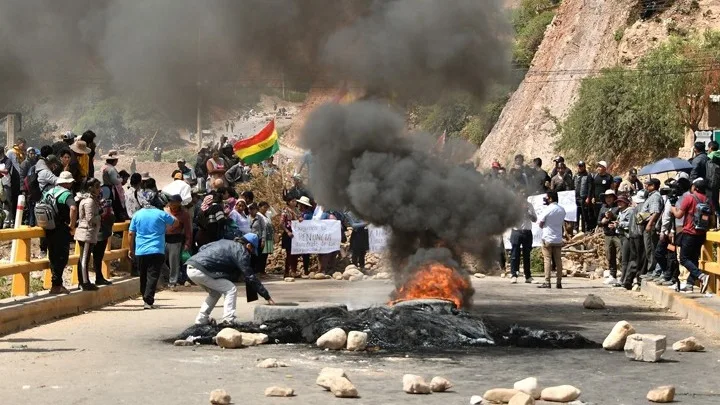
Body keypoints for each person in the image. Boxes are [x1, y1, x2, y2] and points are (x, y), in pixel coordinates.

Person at [186, 236, 275, 326]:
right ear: (248, 245)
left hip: (191, 267)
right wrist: (266, 296)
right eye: (251, 250)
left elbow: (203, 248)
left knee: (215, 293)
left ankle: (201, 320)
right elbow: (250, 276)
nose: (250, 253)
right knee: (230, 289)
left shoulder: (224, 241)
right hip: (201, 270)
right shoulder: (241, 251)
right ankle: (228, 320)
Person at [128, 190, 178, 309]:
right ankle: (148, 300)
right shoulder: (161, 214)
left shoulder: (137, 214)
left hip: (140, 250)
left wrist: (131, 249)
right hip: (157, 249)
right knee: (153, 275)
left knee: (143, 275)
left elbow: (131, 233)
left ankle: (145, 297)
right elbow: (175, 223)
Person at [671, 179, 713, 293]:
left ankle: (701, 276)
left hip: (689, 232)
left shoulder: (689, 198)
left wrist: (673, 209)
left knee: (684, 259)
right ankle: (690, 284)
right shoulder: (708, 200)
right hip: (701, 234)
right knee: (693, 258)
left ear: (695, 188)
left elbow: (679, 215)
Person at [46, 172, 77, 294]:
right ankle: (57, 285)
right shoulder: (66, 194)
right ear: (67, 183)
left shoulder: (49, 192)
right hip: (61, 229)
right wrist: (72, 225)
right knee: (62, 257)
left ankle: (55, 284)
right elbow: (73, 208)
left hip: (49, 228)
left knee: (52, 256)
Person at [74, 178, 102, 291]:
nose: (99, 189)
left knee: (84, 258)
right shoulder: (89, 201)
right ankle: (84, 282)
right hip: (86, 232)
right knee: (84, 259)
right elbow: (90, 218)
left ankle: (83, 281)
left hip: (88, 232)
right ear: (91, 188)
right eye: (97, 187)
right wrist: (101, 215)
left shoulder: (91, 199)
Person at [538, 191, 566, 289]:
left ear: (550, 198)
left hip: (547, 238)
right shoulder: (562, 210)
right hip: (558, 238)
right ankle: (559, 282)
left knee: (547, 260)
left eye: (546, 197)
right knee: (558, 261)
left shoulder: (547, 209)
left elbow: (540, 223)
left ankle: (547, 281)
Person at [165, 194, 192, 289]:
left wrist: (187, 243)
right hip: (163, 239)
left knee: (174, 263)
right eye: (170, 201)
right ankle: (164, 279)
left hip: (176, 240)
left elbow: (188, 230)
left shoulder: (184, 214)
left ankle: (172, 282)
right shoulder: (165, 211)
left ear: (179, 203)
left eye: (173, 201)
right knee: (160, 261)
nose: (171, 203)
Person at [623, 191, 647, 290]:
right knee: (640, 258)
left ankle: (628, 280)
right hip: (638, 235)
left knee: (633, 258)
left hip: (632, 234)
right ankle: (638, 279)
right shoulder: (643, 207)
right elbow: (640, 221)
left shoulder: (635, 208)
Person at [639, 178, 662, 278]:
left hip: (650, 225)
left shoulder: (655, 197)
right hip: (647, 224)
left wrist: (649, 224)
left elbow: (655, 212)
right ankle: (651, 270)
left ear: (652, 186)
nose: (645, 186)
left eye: (647, 185)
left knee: (651, 248)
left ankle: (652, 271)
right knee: (648, 248)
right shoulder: (651, 196)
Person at [509, 199, 537, 284]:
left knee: (527, 255)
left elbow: (535, 219)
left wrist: (527, 212)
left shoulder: (529, 205)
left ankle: (528, 276)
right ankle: (514, 275)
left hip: (527, 232)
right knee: (514, 255)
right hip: (516, 232)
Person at [597, 190, 620, 284]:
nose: (608, 199)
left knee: (621, 254)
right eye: (607, 197)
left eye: (610, 197)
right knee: (609, 255)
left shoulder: (617, 207)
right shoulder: (603, 208)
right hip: (607, 234)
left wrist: (612, 216)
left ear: (614, 198)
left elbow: (620, 217)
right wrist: (603, 222)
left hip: (617, 234)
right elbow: (598, 222)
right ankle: (612, 275)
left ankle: (623, 274)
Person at [101, 150, 127, 221]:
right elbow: (115, 181)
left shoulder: (104, 167)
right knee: (113, 204)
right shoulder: (111, 169)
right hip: (110, 189)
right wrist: (121, 179)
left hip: (104, 188)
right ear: (114, 160)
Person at [281, 196, 301, 278]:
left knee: (295, 253)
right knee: (289, 253)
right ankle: (286, 272)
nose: (294, 203)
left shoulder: (297, 210)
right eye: (293, 201)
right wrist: (287, 231)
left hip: (296, 233)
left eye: (295, 201)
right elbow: (281, 223)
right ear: (288, 202)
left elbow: (300, 218)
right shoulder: (285, 211)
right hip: (288, 234)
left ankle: (294, 271)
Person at [592, 161, 613, 227]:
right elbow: (593, 188)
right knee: (596, 216)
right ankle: (597, 229)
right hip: (596, 201)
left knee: (604, 215)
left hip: (605, 202)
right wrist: (593, 197)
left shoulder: (609, 177)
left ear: (604, 168)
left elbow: (612, 189)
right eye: (598, 166)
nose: (598, 168)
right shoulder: (595, 176)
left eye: (600, 167)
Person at [247, 203, 268, 274]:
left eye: (253, 209)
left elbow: (264, 229)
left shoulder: (260, 218)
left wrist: (263, 240)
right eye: (250, 209)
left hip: (257, 239)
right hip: (249, 240)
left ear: (256, 210)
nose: (252, 211)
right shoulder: (247, 217)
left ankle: (257, 271)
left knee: (257, 256)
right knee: (250, 255)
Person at [573, 161, 593, 232]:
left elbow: (590, 187)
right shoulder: (575, 176)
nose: (580, 167)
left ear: (584, 167)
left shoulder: (588, 175)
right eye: (579, 166)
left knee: (584, 215)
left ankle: (585, 230)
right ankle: (576, 228)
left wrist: (588, 197)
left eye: (581, 166)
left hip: (584, 198)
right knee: (576, 214)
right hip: (576, 197)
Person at [257, 201, 275, 275]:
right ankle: (259, 270)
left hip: (269, 236)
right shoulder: (258, 215)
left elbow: (275, 213)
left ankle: (262, 270)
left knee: (266, 254)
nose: (265, 209)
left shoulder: (267, 214)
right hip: (262, 236)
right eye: (264, 207)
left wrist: (270, 206)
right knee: (261, 254)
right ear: (260, 207)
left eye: (266, 207)